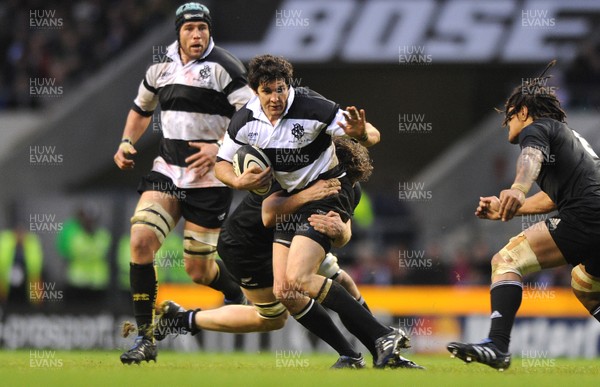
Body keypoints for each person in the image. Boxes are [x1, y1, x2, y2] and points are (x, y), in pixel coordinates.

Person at [155, 137, 422, 369]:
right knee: (272, 316)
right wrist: (308, 196)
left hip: (289, 237)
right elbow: (269, 215)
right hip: (246, 245)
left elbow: (344, 234)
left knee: (341, 281)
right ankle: (352, 353)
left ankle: (381, 348)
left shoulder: (347, 185)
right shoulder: (293, 173)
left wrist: (340, 230)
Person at [214, 55, 408, 369]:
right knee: (285, 290)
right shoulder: (244, 122)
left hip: (327, 193)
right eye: (268, 91)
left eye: (281, 89)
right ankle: (351, 355)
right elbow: (220, 164)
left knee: (302, 278)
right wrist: (237, 180)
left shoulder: (312, 107)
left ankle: (382, 335)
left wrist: (361, 134)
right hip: (294, 201)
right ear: (255, 91)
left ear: (289, 86)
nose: (276, 98)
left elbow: (371, 134)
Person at [114, 2, 253, 365]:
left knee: (198, 271)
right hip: (168, 172)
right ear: (178, 32)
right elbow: (141, 109)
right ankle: (145, 338)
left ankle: (235, 294)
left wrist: (220, 147)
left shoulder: (225, 67)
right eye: (190, 28)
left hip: (211, 180)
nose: (196, 35)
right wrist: (127, 141)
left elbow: (254, 117)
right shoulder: (160, 67)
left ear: (209, 32)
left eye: (202, 29)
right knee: (141, 239)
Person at [447, 61, 600, 371]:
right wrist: (511, 207)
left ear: (523, 111)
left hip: (589, 215)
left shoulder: (537, 129)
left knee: (506, 260)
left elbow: (532, 158)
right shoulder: (567, 139)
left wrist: (517, 189)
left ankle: (497, 345)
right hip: (593, 214)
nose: (506, 123)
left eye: (508, 115)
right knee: (585, 284)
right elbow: (549, 200)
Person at [56, 205, 111, 308]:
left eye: (92, 220)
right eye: (87, 219)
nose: (89, 223)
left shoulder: (103, 236)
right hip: (77, 282)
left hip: (97, 283)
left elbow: (101, 251)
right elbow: (73, 252)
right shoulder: (75, 236)